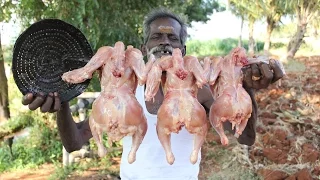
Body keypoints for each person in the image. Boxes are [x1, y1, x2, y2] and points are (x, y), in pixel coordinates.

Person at [22, 8, 284, 180]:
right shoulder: (124, 85)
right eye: (157, 36)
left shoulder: (199, 90)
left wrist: (245, 87)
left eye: (173, 39)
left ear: (183, 47)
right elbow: (74, 142)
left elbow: (247, 139)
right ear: (144, 45)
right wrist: (63, 104)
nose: (165, 42)